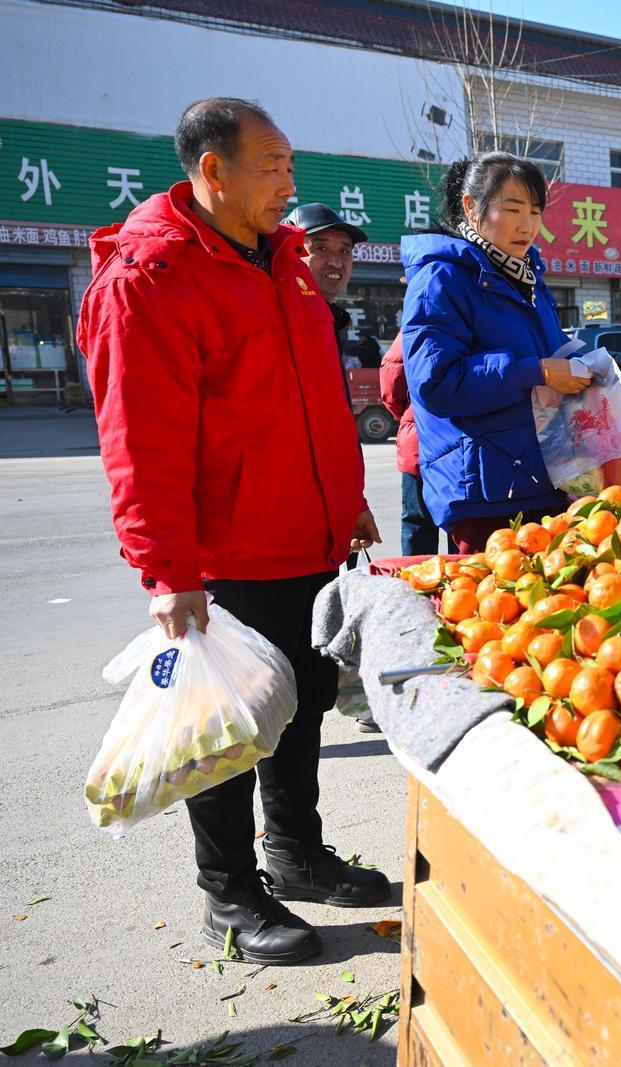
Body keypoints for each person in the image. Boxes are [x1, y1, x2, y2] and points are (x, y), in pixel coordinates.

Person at [77, 97, 389, 966]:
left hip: (309, 539)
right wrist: (166, 572)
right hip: (226, 553)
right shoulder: (150, 278)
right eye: (271, 167)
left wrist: (345, 501)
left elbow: (316, 400)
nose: (289, 184)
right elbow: (139, 441)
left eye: (292, 166)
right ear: (212, 170)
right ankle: (228, 894)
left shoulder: (285, 261)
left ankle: (296, 853)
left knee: (304, 707)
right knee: (221, 729)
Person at [400, 152, 587, 553]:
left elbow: (550, 353)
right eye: (513, 209)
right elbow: (436, 383)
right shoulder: (441, 278)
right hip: (486, 492)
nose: (527, 225)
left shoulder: (527, 277)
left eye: (535, 212)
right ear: (471, 207)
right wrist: (534, 371)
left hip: (543, 476)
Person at [379, 334, 440, 557]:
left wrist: (411, 413)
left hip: (419, 443)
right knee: (464, 530)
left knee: (417, 525)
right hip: (465, 442)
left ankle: (414, 578)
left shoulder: (412, 326)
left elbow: (391, 386)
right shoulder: (476, 319)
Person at [284, 202, 366, 360]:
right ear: (291, 252)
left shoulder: (330, 320)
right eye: (321, 248)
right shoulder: (277, 322)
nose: (336, 263)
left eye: (344, 251)